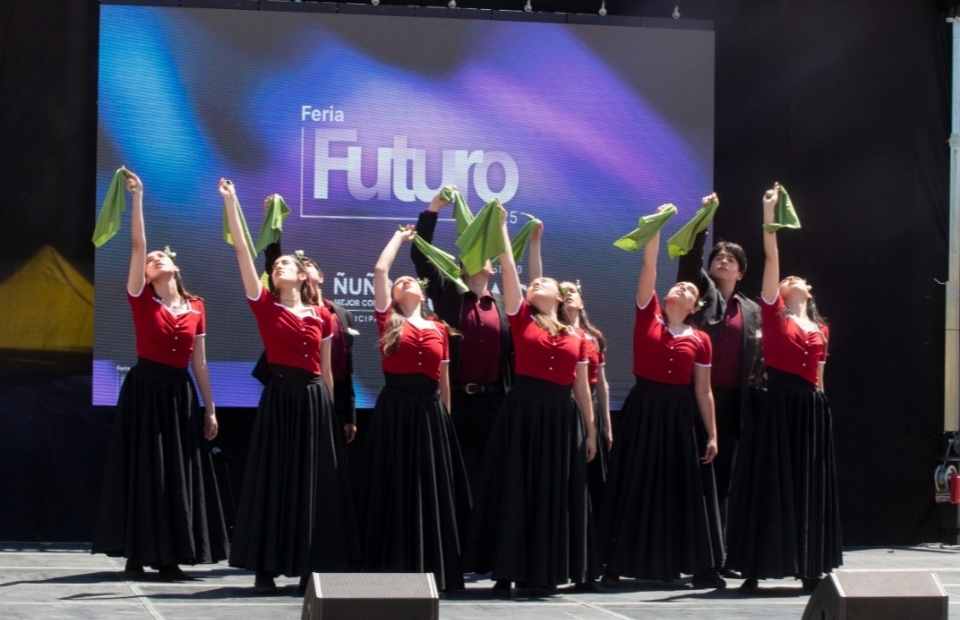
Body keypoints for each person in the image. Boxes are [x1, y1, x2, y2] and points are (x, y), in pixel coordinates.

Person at [220, 179, 357, 592]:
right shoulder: (266, 306)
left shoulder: (323, 316)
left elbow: (327, 370)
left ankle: (308, 566)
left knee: (312, 483)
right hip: (279, 398)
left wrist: (332, 412)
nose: (279, 267)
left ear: (302, 275)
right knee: (274, 477)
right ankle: (266, 566)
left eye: (286, 265)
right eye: (275, 266)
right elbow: (243, 252)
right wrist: (231, 203)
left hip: (314, 400)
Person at [93, 169, 228, 580]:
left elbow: (199, 362)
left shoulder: (197, 306)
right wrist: (138, 198)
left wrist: (210, 408)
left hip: (179, 393)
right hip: (145, 390)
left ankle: (170, 556)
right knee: (145, 467)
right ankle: (136, 553)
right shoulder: (140, 298)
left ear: (175, 266)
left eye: (160, 257)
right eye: (150, 261)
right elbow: (138, 244)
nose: (154, 259)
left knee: (177, 472)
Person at [467, 204, 597, 596]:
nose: (535, 285)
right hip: (523, 411)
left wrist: (591, 431)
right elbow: (510, 268)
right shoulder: (522, 318)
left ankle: (543, 570)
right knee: (516, 488)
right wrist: (504, 231)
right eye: (533, 284)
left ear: (559, 296)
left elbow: (581, 387)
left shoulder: (577, 336)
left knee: (550, 491)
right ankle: (506, 569)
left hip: (560, 417)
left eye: (543, 283)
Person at [725, 184, 842, 592]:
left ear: (809, 291)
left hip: (810, 407)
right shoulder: (775, 315)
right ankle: (756, 566)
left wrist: (821, 405)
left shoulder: (821, 328)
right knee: (772, 482)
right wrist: (768, 216)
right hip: (778, 405)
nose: (791, 278)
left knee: (806, 484)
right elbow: (772, 256)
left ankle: (809, 564)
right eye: (786, 278)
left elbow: (820, 373)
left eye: (798, 278)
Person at [600, 222, 724, 589]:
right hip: (644, 410)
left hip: (679, 416)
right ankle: (615, 562)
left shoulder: (700, 340)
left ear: (694, 306)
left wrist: (712, 434)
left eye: (689, 289)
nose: (681, 288)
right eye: (678, 285)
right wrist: (655, 230)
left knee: (682, 488)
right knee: (634, 482)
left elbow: (703, 390)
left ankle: (698, 566)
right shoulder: (648, 316)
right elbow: (649, 268)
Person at [363, 225, 469, 592]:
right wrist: (399, 238)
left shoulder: (439, 328)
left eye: (410, 279)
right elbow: (380, 270)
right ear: (393, 296)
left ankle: (432, 565)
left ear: (423, 292)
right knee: (396, 484)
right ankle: (392, 564)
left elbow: (444, 381)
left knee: (430, 487)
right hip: (396, 411)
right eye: (399, 282)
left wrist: (445, 421)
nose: (404, 281)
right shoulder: (387, 319)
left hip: (430, 413)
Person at [676, 193, 763, 576]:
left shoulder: (752, 310)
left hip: (735, 403)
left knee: (726, 479)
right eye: (718, 257)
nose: (722, 261)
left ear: (741, 272)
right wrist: (704, 220)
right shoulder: (701, 295)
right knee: (696, 475)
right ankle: (692, 556)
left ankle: (721, 555)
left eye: (730, 259)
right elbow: (689, 259)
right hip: (697, 400)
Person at [411, 191, 514, 485]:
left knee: (492, 477)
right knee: (455, 475)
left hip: (495, 403)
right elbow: (420, 255)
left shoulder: (504, 306)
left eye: (486, 254)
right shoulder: (448, 294)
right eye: (475, 252)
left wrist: (502, 227)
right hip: (454, 400)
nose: (482, 257)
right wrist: (433, 209)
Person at [559, 281, 612, 507]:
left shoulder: (594, 337)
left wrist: (607, 425)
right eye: (562, 292)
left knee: (590, 469)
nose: (568, 295)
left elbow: (602, 383)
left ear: (582, 301)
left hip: (590, 408)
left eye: (572, 291)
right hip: (564, 407)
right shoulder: (554, 332)